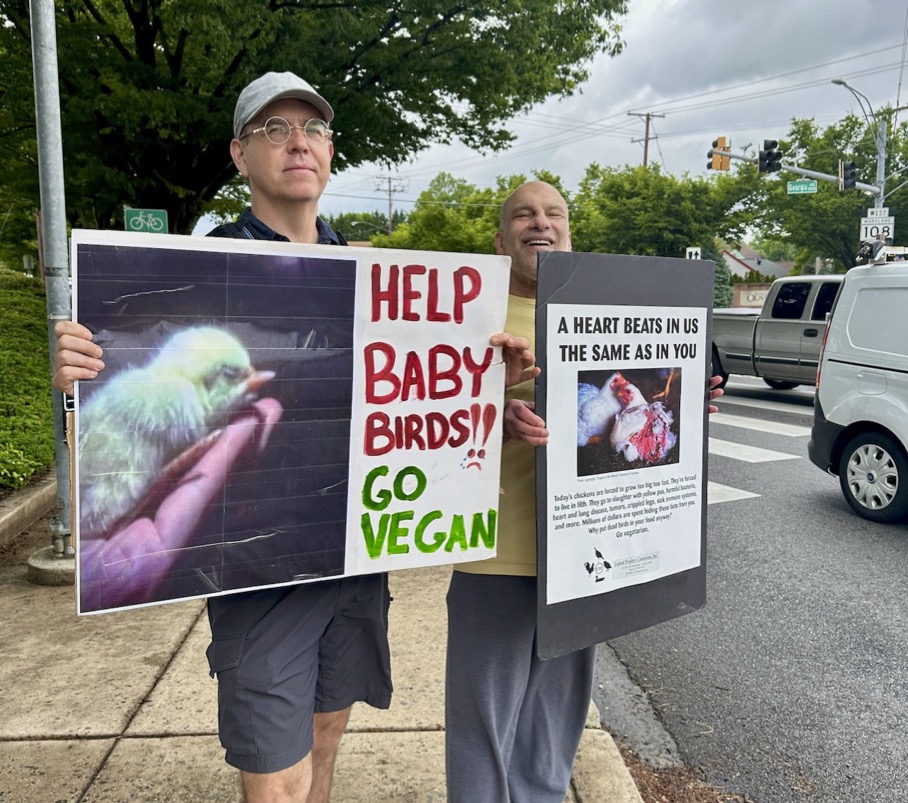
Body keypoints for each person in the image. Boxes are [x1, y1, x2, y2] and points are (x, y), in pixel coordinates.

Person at [52, 71, 536, 803]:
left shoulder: (376, 273)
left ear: (331, 151)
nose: (297, 142)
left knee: (325, 737)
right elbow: (124, 409)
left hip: (356, 549)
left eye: (311, 128)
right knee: (275, 773)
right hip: (259, 568)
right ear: (241, 156)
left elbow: (403, 403)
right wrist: (80, 377)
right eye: (273, 129)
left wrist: (487, 390)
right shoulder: (194, 276)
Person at [444, 180, 724, 802]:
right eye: (522, 214)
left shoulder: (616, 314)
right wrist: (496, 414)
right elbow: (425, 421)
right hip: (497, 550)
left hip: (585, 553)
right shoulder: (471, 317)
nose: (538, 223)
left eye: (553, 215)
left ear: (570, 236)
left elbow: (655, 407)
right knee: (482, 721)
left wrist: (693, 396)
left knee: (555, 718)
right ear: (500, 238)